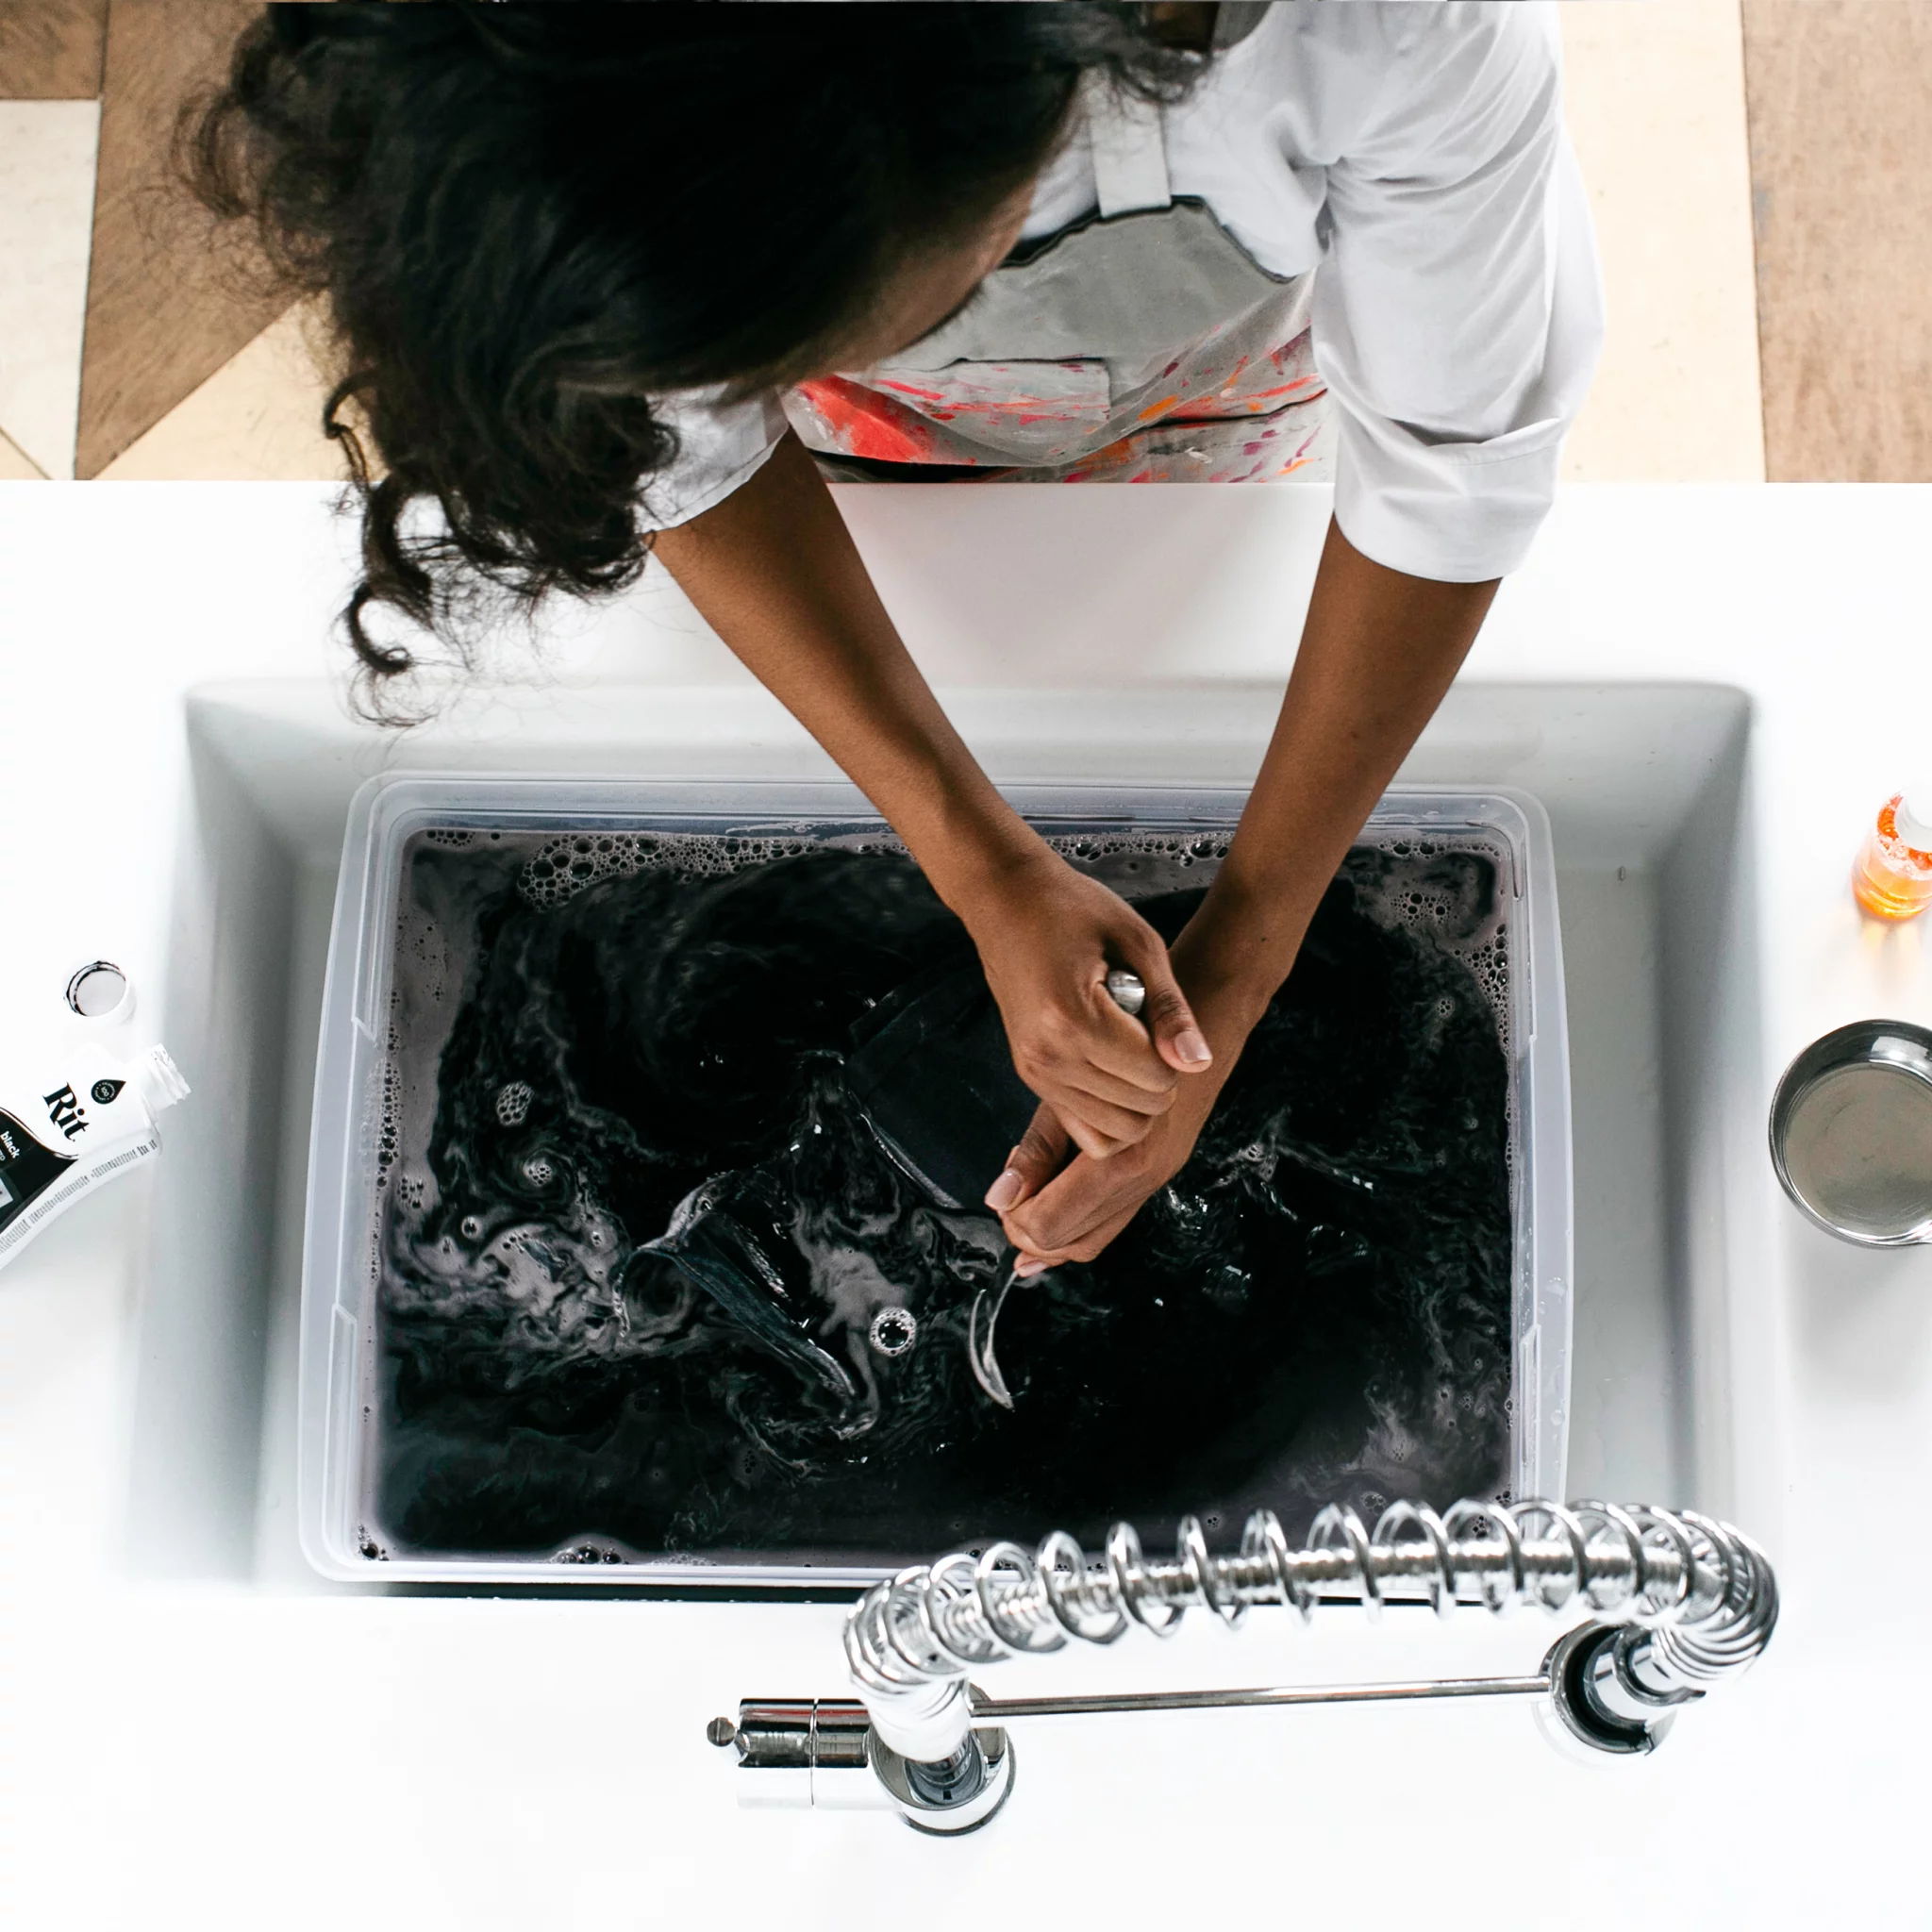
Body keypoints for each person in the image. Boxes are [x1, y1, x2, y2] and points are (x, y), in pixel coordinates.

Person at [191, 1, 1601, 1275]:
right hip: (862, 477)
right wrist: (982, 866)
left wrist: (1245, 956)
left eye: (841, 322)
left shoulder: (1395, 33)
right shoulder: (620, 95)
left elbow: (1449, 469)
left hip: (1216, 407)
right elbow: (676, 453)